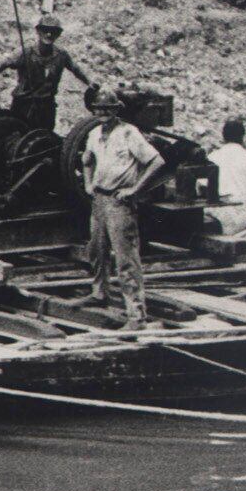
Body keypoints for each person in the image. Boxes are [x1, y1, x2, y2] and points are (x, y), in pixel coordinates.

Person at [81, 89, 164, 328]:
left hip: (120, 203)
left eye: (108, 109)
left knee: (126, 259)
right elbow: (86, 160)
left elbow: (156, 161)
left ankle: (136, 315)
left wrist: (135, 189)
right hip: (98, 200)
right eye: (99, 109)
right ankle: (99, 293)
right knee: (96, 251)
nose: (103, 113)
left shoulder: (129, 133)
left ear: (117, 110)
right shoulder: (94, 134)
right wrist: (88, 184)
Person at [0, 9, 96, 135]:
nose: (49, 34)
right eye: (45, 30)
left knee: (44, 137)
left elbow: (75, 68)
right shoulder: (26, 53)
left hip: (46, 106)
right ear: (38, 32)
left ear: (58, 34)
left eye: (54, 32)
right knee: (17, 136)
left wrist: (89, 82)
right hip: (24, 104)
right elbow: (4, 63)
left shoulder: (61, 55)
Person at [207, 116, 246, 203]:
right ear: (243, 136)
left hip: (219, 205)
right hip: (242, 205)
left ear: (223, 136)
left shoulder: (212, 156)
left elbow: (204, 185)